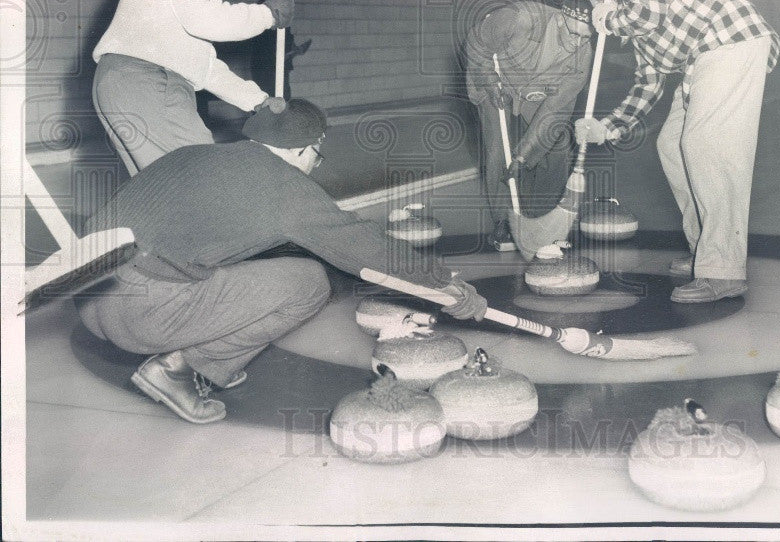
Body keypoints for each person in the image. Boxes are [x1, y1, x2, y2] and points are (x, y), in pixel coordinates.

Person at [76, 98, 487, 424]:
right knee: (307, 283)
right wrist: (443, 284)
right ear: (307, 149)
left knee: (236, 259)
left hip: (87, 296)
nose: (314, 166)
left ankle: (207, 353)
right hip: (139, 314)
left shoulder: (191, 155)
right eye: (316, 157)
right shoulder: (282, 185)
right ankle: (179, 369)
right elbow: (366, 248)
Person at [564, 0, 780, 303]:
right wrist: (608, 126)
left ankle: (722, 271)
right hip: (703, 60)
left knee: (705, 145)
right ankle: (705, 252)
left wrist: (605, 20)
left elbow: (648, 15)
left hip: (731, 42)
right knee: (672, 146)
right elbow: (648, 83)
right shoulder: (632, 18)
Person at [92, 0, 295, 176]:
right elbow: (208, 20)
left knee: (162, 190)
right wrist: (267, 15)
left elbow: (200, 64)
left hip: (127, 83)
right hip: (149, 83)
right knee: (204, 181)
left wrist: (255, 100)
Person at [464, 0, 593, 251]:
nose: (578, 43)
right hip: (495, 78)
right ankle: (503, 223)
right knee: (499, 150)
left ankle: (540, 220)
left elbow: (554, 111)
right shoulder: (519, 19)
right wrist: (489, 79)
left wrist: (523, 155)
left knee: (555, 146)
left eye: (586, 37)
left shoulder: (583, 56)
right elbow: (476, 42)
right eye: (574, 34)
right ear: (560, 19)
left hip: (537, 89)